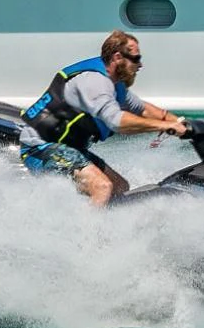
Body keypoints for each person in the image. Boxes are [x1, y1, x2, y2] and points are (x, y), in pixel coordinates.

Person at [18, 30, 190, 205]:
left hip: (68, 148)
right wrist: (163, 126)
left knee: (120, 187)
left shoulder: (114, 83)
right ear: (117, 57)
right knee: (102, 187)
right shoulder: (94, 82)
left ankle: (96, 215)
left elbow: (142, 109)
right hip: (41, 148)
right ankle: (86, 224)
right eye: (136, 59)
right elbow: (117, 122)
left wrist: (179, 123)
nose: (140, 65)